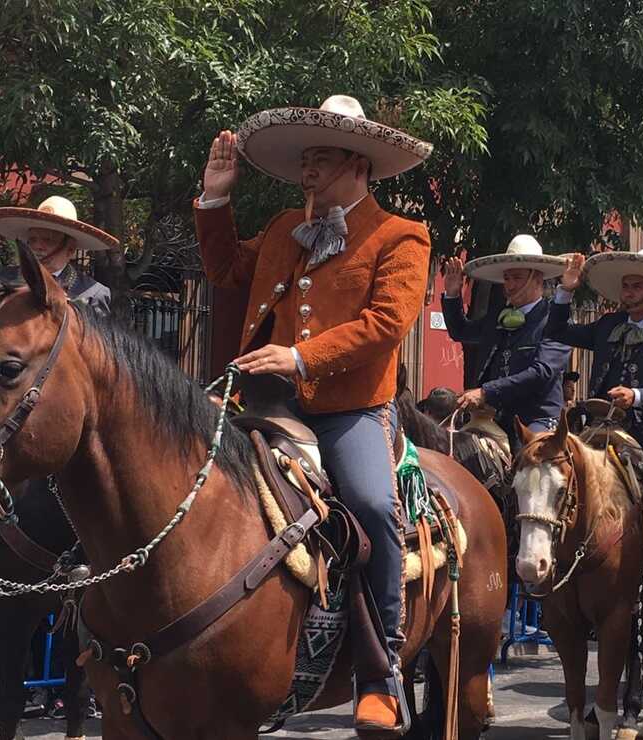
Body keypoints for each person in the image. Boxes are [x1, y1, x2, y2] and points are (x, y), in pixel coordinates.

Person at [194, 94, 432, 736]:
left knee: (374, 505)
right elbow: (222, 270)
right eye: (304, 161)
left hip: (349, 408)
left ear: (358, 163)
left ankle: (380, 676)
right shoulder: (280, 229)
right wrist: (215, 199)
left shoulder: (401, 235)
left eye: (320, 159)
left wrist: (299, 358)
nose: (306, 172)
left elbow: (385, 326)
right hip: (260, 399)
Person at [549, 247, 643, 506]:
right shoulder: (607, 324)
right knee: (551, 477)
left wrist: (636, 396)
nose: (628, 292)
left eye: (637, 286)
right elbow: (557, 331)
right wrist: (566, 290)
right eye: (626, 285)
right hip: (597, 428)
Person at [441, 236, 571, 444]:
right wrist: (452, 294)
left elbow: (542, 372)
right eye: (507, 278)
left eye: (517, 278)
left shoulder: (554, 320)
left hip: (536, 419)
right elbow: (460, 331)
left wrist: (486, 391)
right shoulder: (497, 317)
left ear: (537, 278)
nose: (509, 285)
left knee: (531, 467)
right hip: (491, 417)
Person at [0, 195, 113, 314]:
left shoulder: (92, 293)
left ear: (71, 250)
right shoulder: (1, 281)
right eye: (33, 240)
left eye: (49, 240)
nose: (38, 247)